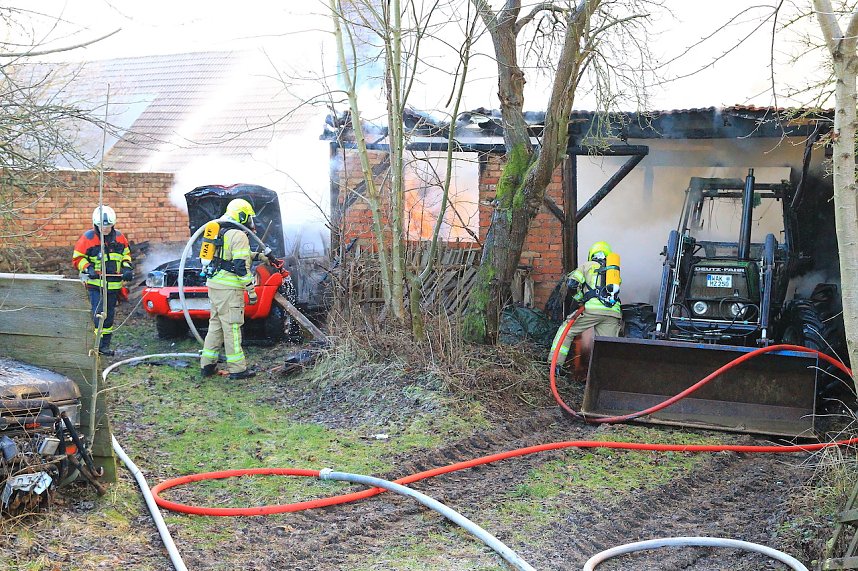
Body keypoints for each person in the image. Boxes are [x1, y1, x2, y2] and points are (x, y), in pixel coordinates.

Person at [199, 198, 268, 380]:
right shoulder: (239, 235)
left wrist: (258, 256)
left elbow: (229, 257)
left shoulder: (220, 230)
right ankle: (238, 369)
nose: (251, 222)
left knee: (215, 326)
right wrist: (251, 290)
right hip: (229, 290)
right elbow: (239, 266)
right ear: (242, 216)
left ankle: (207, 365)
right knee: (232, 329)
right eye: (249, 217)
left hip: (215, 286)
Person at [549, 241, 622, 372]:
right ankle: (607, 376)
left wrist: (580, 299)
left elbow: (572, 284)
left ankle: (555, 366)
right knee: (608, 346)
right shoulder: (614, 272)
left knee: (567, 330)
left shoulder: (586, 266)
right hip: (613, 313)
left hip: (593, 309)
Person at [73, 205, 134, 356]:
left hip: (113, 286)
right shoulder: (88, 238)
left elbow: (126, 255)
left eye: (108, 226)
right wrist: (88, 268)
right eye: (102, 226)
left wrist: (127, 268)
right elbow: (78, 258)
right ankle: (95, 345)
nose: (105, 229)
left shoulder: (119, 238)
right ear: (96, 224)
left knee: (109, 317)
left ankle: (104, 346)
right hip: (96, 285)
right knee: (98, 315)